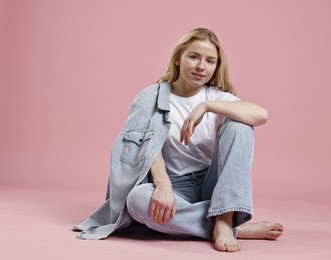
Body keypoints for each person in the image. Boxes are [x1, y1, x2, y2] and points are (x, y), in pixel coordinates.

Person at [74, 28, 283, 252]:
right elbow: (146, 147)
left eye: (210, 61)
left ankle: (223, 220)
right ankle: (232, 227)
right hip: (174, 186)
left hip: (211, 183)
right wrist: (163, 185)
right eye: (194, 57)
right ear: (177, 59)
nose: (201, 66)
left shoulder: (215, 97)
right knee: (136, 200)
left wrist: (206, 106)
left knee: (240, 124)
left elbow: (261, 114)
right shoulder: (151, 96)